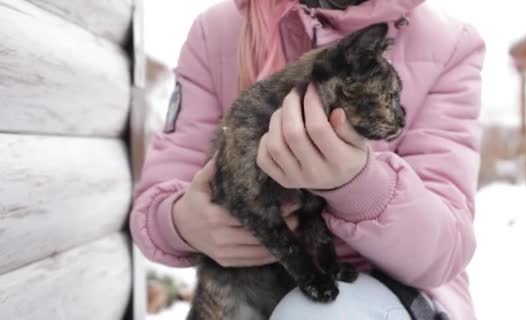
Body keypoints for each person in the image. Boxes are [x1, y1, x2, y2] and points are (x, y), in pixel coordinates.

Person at [130, 0, 485, 319]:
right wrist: (182, 223)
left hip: (387, 294)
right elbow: (156, 198)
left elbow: (446, 250)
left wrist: (356, 184)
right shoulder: (217, 31)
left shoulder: (449, 44)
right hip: (254, 287)